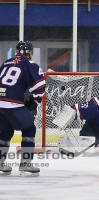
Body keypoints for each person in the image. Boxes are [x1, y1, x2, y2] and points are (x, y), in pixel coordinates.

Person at [0, 41, 45, 176]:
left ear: (17, 51)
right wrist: (35, 100)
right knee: (29, 129)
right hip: (13, 104)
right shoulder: (30, 64)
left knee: (5, 131)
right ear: (30, 52)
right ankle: (26, 163)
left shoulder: (6, 62)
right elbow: (39, 87)